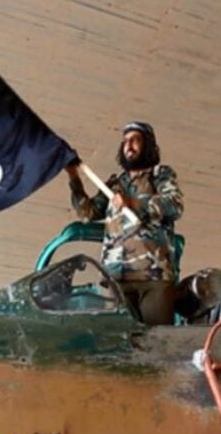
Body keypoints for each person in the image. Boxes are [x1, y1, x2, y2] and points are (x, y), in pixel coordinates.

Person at [65, 122, 184, 324]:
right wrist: (73, 177)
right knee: (117, 344)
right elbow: (88, 213)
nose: (129, 145)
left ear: (148, 144)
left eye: (135, 139)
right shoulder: (114, 183)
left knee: (154, 344)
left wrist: (134, 203)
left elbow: (175, 205)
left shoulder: (160, 175)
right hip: (115, 280)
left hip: (153, 278)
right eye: (125, 141)